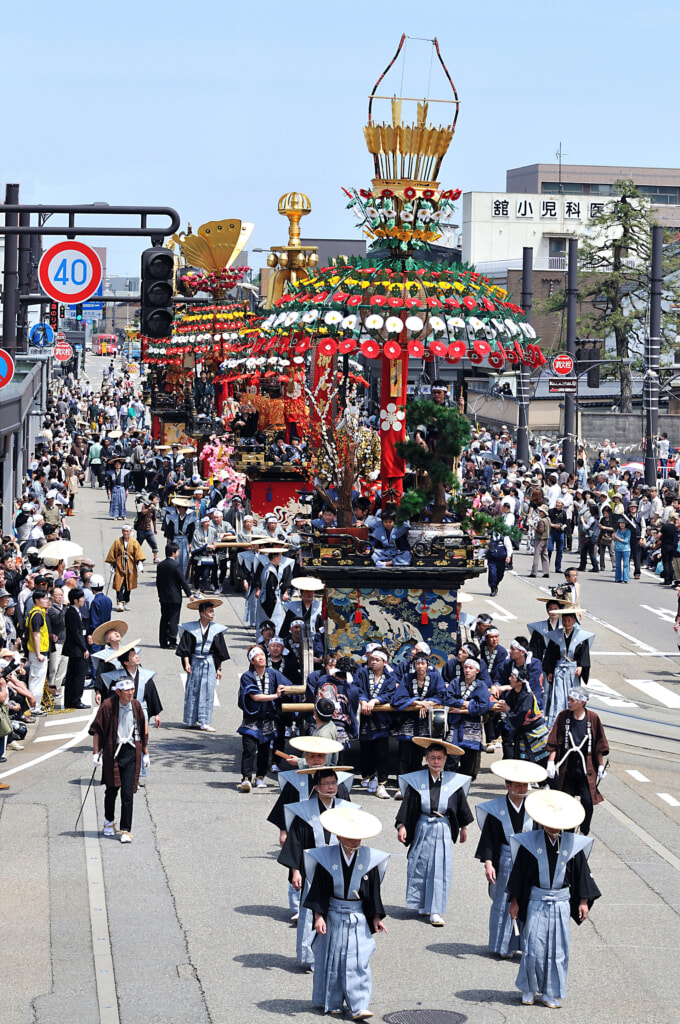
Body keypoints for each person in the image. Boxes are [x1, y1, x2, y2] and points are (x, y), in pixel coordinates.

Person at [507, 789, 601, 1009]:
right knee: (532, 948)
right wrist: (514, 900)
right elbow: (519, 874)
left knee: (557, 950)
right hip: (537, 901)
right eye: (549, 821)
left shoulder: (572, 845)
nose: (553, 826)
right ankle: (529, 988)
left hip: (560, 902)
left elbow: (581, 875)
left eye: (558, 822)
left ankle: (551, 992)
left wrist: (584, 901)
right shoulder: (529, 842)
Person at [304, 805, 389, 1021]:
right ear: (339, 836)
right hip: (332, 912)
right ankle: (332, 1002)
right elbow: (319, 890)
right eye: (350, 836)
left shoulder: (370, 858)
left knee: (358, 960)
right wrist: (318, 916)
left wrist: (376, 917)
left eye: (359, 836)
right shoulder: (326, 857)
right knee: (333, 959)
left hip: (357, 914)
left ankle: (359, 1005)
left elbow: (373, 892)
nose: (355, 840)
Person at [278, 766, 354, 968]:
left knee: (337, 911)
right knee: (312, 911)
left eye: (333, 783)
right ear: (317, 787)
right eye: (326, 783)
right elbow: (295, 842)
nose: (331, 787)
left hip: (338, 869)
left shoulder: (346, 809)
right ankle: (310, 955)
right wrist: (295, 870)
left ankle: (334, 954)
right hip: (313, 870)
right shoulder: (306, 812)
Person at [396, 737, 473, 927]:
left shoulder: (454, 782)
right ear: (426, 758)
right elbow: (408, 805)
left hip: (442, 826)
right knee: (420, 864)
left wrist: (463, 827)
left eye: (439, 758)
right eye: (432, 758)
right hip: (422, 825)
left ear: (446, 759)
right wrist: (402, 825)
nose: (436, 762)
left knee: (440, 868)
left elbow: (461, 806)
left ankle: (436, 910)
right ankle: (423, 904)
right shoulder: (417, 780)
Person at [475, 759, 547, 958]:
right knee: (503, 901)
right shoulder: (496, 808)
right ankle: (501, 944)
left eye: (525, 785)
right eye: (518, 785)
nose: (523, 788)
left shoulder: (533, 807)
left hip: (528, 861)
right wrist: (488, 863)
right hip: (505, 859)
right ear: (508, 786)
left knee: (526, 901)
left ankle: (525, 945)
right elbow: (489, 839)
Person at [89, 675, 149, 844]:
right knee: (112, 789)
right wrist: (95, 753)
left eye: (132, 689)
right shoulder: (108, 705)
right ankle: (108, 822)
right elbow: (97, 730)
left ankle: (126, 830)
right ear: (118, 691)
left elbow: (143, 730)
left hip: (131, 752)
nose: (131, 693)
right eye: (127, 690)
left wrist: (145, 752)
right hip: (112, 752)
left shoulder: (136, 706)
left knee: (128, 793)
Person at [547, 686, 609, 835]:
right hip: (568, 768)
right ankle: (568, 832)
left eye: (572, 700)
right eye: (568, 699)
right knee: (566, 802)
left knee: (587, 801)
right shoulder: (563, 717)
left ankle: (584, 829)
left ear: (582, 702)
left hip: (586, 769)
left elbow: (598, 745)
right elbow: (554, 742)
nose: (569, 702)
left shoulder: (592, 718)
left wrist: (600, 766)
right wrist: (551, 762)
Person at [236, 644, 287, 791]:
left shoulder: (272, 673)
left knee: (264, 751)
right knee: (249, 749)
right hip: (251, 719)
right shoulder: (247, 676)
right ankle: (246, 778)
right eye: (257, 656)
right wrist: (275, 695)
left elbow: (288, 684)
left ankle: (260, 777)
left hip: (267, 718)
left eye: (263, 655)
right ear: (252, 661)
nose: (261, 658)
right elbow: (255, 697)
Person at [176, 597, 230, 733]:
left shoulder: (216, 630)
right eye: (210, 611)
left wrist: (219, 668)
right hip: (194, 661)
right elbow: (185, 648)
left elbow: (220, 651)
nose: (212, 614)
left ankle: (205, 721)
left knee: (208, 691)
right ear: (202, 613)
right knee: (192, 689)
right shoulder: (191, 628)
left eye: (213, 611)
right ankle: (191, 719)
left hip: (209, 662)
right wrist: (186, 663)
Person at [543, 608, 594, 730]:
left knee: (573, 697)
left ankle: (572, 723)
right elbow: (550, 654)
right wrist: (549, 671)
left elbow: (584, 654)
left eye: (569, 620)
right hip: (559, 669)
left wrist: (581, 666)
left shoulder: (581, 637)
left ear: (574, 621)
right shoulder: (556, 635)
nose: (567, 623)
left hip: (573, 670)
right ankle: (555, 724)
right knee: (558, 697)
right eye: (564, 620)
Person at [354, 648, 396, 799]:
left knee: (382, 752)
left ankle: (382, 783)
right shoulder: (363, 673)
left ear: (385, 662)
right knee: (366, 750)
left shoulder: (390, 676)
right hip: (366, 717)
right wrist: (364, 700)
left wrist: (375, 700)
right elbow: (357, 688)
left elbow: (390, 693)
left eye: (377, 660)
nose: (373, 662)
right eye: (371, 659)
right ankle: (369, 776)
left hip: (381, 718)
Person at [156, 542, 192, 648]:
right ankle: (172, 641)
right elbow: (182, 581)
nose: (178, 553)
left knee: (164, 618)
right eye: (177, 551)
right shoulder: (176, 565)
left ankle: (163, 641)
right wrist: (189, 594)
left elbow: (158, 582)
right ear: (173, 552)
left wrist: (160, 595)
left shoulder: (160, 565)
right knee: (173, 619)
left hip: (163, 597)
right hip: (175, 597)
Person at [105, 524, 146, 612]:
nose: (125, 533)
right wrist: (112, 565)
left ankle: (125, 602)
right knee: (119, 585)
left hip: (130, 567)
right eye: (124, 531)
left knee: (129, 586)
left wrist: (139, 564)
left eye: (127, 531)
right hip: (120, 566)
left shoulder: (134, 542)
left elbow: (138, 554)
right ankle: (120, 602)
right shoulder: (117, 541)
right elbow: (113, 553)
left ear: (130, 532)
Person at [63, 587, 90, 709]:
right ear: (75, 600)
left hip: (78, 647)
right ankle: (75, 700)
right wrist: (84, 648)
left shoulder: (76, 611)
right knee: (78, 676)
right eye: (81, 598)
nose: (83, 600)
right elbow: (75, 633)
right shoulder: (71, 612)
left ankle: (72, 700)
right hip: (76, 649)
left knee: (75, 675)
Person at [25, 589, 51, 714]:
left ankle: (35, 706)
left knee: (36, 679)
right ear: (36, 600)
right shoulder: (37, 615)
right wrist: (38, 654)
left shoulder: (38, 613)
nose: (47, 601)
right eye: (44, 598)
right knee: (37, 680)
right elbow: (36, 635)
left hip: (38, 652)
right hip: (38, 653)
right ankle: (35, 707)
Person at [486, 528, 512, 597]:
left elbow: (509, 547)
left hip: (501, 559)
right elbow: (486, 547)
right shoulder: (490, 536)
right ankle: (493, 588)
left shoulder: (504, 536)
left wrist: (508, 556)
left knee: (500, 575)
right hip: (492, 559)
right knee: (492, 573)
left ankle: (496, 583)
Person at [528, 505, 550, 578]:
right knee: (545, 555)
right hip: (546, 538)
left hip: (540, 538)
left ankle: (534, 572)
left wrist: (535, 528)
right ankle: (546, 572)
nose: (539, 512)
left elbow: (541, 530)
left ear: (543, 513)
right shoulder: (548, 519)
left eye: (540, 511)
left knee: (536, 555)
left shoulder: (542, 521)